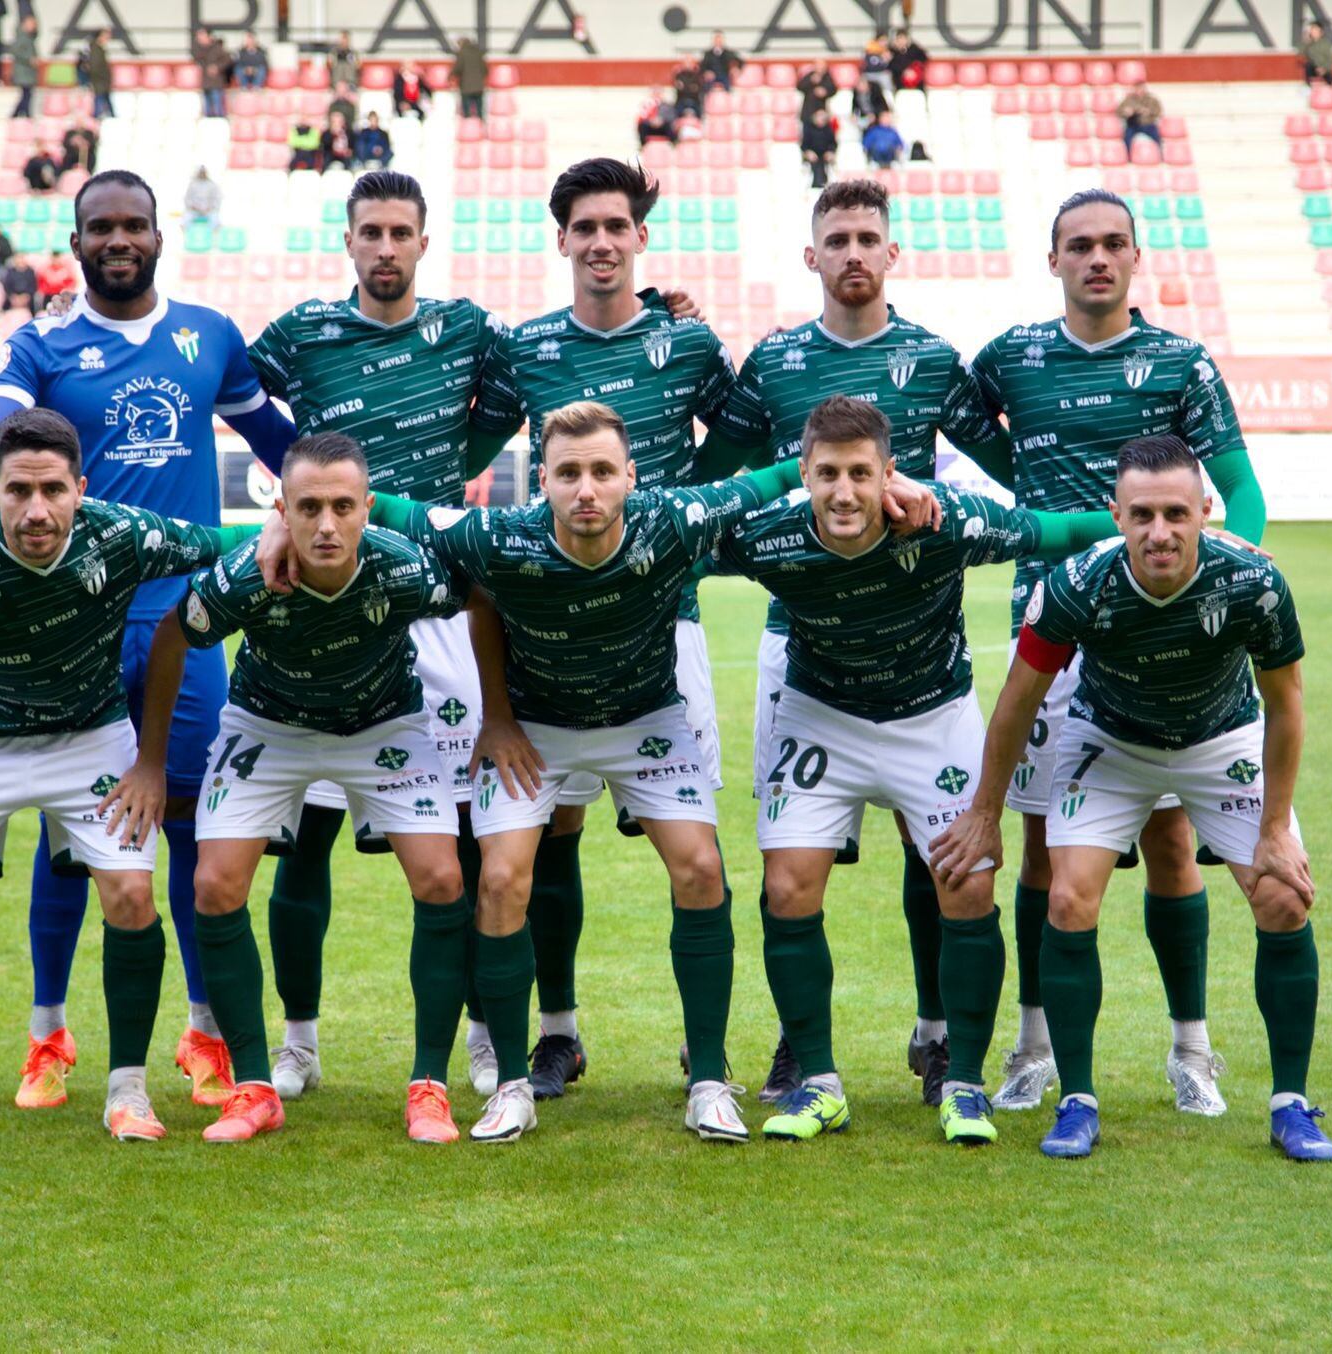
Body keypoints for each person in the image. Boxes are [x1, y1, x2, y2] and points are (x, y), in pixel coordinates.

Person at [324, 406, 934, 1143]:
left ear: (630, 479)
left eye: (604, 472)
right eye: (570, 473)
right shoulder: (500, 535)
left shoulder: (673, 520)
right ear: (540, 481)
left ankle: (709, 1081)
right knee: (497, 879)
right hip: (539, 729)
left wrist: (896, 485)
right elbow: (391, 511)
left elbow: (779, 475)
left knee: (702, 867)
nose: (587, 489)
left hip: (646, 722)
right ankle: (510, 1085)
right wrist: (498, 716)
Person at [0, 169, 296, 1114]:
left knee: (190, 821)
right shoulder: (44, 343)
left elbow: (276, 435)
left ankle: (201, 1032)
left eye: (133, 225)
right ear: (76, 242)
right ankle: (46, 1035)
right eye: (100, 227)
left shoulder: (208, 336)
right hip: (75, 621)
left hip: (182, 621)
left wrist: (325, 511)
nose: (119, 239)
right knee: (70, 834)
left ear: (158, 235)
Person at [711, 396, 1116, 1145]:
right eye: (826, 473)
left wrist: (1136, 524)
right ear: (802, 473)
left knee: (965, 886)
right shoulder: (768, 536)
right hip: (820, 716)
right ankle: (820, 1084)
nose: (843, 491)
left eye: (860, 473)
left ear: (889, 473)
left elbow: (1051, 531)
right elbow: (669, 533)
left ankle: (963, 1081)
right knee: (787, 886)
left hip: (933, 719)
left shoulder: (946, 521)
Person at [701, 177, 1019, 1109]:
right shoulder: (774, 361)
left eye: (866, 238)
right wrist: (789, 490)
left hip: (919, 640)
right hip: (798, 639)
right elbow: (712, 475)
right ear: (812, 255)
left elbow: (1009, 467)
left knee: (942, 848)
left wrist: (930, 498)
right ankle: (804, 1053)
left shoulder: (930, 358)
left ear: (890, 255)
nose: (850, 252)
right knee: (797, 862)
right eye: (834, 237)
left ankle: (938, 1032)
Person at [931, 435, 1332, 1164]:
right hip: (1110, 741)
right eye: (1142, 514)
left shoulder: (1254, 582)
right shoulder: (1078, 583)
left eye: (1176, 514)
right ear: (1115, 515)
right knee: (1067, 899)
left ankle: (1291, 1103)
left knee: (1282, 897)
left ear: (1206, 512)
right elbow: (1019, 703)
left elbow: (1287, 703)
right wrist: (985, 813)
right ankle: (1077, 1098)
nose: (1159, 532)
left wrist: (1275, 827)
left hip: (1222, 738)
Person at [968, 188, 1268, 1116]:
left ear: (1136, 259)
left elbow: (1241, 490)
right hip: (1052, 635)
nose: (1096, 259)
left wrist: (1236, 569)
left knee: (1172, 840)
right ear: (1051, 260)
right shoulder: (1008, 360)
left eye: (1112, 245)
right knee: (1041, 855)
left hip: (1169, 638)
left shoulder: (1181, 361)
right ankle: (1034, 1048)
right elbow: (956, 432)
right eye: (1079, 246)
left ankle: (1192, 1049)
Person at [0, 408, 257, 1145]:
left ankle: (128, 1090)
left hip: (88, 737)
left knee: (130, 892)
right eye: (18, 491)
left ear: (80, 487)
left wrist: (287, 527)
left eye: (53, 489)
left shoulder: (119, 533)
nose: (36, 510)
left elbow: (221, 541)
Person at [464, 159, 743, 1100]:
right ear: (562, 240)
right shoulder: (526, 348)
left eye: (616, 226)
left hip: (668, 623)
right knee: (554, 824)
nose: (601, 242)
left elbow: (743, 440)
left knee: (692, 847)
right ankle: (557, 1031)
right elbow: (470, 449)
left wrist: (682, 523)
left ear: (639, 238)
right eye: (584, 227)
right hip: (552, 622)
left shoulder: (690, 344)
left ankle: (707, 1056)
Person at [243, 172, 504, 1099]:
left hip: (431, 601)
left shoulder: (466, 330)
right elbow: (232, 389)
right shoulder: (303, 334)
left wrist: (442, 494)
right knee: (305, 835)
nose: (385, 247)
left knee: (461, 837)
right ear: (347, 241)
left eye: (401, 232)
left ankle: (478, 1033)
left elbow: (524, 396)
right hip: (319, 594)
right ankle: (298, 1042)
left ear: (424, 242)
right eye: (370, 232)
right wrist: (285, 491)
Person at [156, 433, 473, 1143]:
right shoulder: (245, 577)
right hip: (270, 725)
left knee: (443, 878)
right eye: (308, 508)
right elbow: (174, 639)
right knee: (215, 886)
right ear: (282, 511)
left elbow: (482, 597)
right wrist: (149, 764)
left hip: (381, 723)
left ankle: (430, 1086)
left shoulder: (407, 570)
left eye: (341, 507)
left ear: (368, 509)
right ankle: (254, 1087)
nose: (325, 525)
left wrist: (502, 719)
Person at [193, 26, 229, 119]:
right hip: (205, 82)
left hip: (216, 82)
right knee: (207, 110)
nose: (200, 38)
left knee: (218, 107)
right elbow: (198, 60)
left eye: (202, 35)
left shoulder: (217, 48)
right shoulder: (198, 49)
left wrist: (217, 67)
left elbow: (227, 60)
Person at [1118, 80, 1163, 151]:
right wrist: (1126, 112)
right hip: (1132, 125)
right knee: (1127, 138)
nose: (1139, 90)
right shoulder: (1128, 100)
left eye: (1141, 88)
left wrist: (1149, 112)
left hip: (1148, 124)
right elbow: (1118, 111)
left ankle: (1160, 155)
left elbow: (1158, 112)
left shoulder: (1152, 100)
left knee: (1157, 137)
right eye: (1137, 88)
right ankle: (1128, 157)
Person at [10, 16, 39, 119]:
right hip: (23, 73)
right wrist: (29, 59)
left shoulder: (29, 37)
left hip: (28, 73)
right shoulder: (22, 38)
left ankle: (22, 114)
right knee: (26, 95)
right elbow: (15, 51)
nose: (35, 26)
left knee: (27, 94)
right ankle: (21, 114)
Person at [800, 108, 837, 188]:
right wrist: (808, 152)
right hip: (812, 155)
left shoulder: (828, 129)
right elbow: (804, 145)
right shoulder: (808, 128)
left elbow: (833, 143)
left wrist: (830, 152)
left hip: (824, 155)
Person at [454, 36, 487, 118]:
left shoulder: (462, 53)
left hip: (466, 87)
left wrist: (450, 75)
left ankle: (468, 127)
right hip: (479, 86)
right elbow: (485, 69)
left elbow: (458, 68)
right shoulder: (478, 52)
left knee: (467, 112)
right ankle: (480, 126)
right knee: (479, 111)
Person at [889, 29, 930, 97]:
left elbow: (924, 58)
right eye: (899, 39)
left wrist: (913, 70)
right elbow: (891, 65)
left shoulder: (914, 49)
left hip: (914, 75)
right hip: (899, 77)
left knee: (921, 83)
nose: (901, 41)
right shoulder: (892, 51)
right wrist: (904, 71)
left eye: (904, 39)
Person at [85, 27, 114, 119]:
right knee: (100, 102)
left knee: (104, 101)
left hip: (101, 81)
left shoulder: (98, 49)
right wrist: (101, 77)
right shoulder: (96, 50)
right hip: (100, 81)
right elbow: (95, 67)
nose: (108, 38)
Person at [672, 55, 706, 119]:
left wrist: (685, 87)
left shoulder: (698, 75)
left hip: (695, 101)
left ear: (693, 64)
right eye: (685, 63)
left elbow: (697, 89)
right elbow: (679, 88)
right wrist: (690, 87)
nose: (687, 65)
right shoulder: (678, 75)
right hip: (681, 100)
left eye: (689, 63)